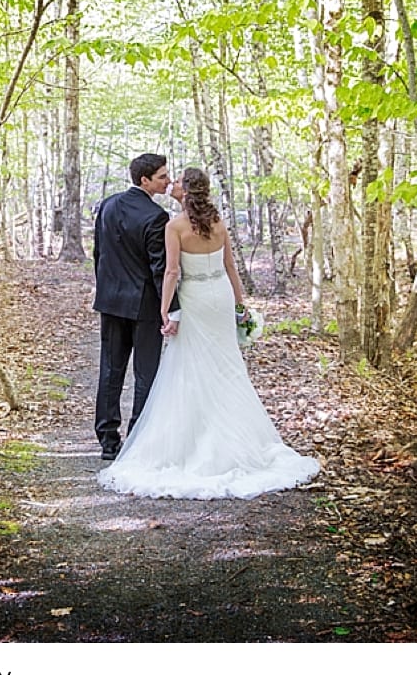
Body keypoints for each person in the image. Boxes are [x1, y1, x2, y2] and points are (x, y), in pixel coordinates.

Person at [98, 167, 321, 499]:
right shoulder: (218, 223)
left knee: (188, 365)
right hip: (219, 297)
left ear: (185, 192)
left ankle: (194, 440)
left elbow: (172, 271)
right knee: (226, 366)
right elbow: (231, 267)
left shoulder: (174, 226)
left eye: (176, 183)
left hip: (194, 299)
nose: (170, 183)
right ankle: (236, 437)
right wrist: (241, 303)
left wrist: (165, 310)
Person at [92, 153, 180, 461]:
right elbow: (160, 268)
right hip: (143, 305)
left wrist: (104, 287)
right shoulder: (156, 217)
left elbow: (99, 254)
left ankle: (107, 439)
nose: (168, 181)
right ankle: (137, 437)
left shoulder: (107, 205)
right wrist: (171, 309)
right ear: (144, 180)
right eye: (162, 177)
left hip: (110, 300)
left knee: (111, 369)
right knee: (146, 373)